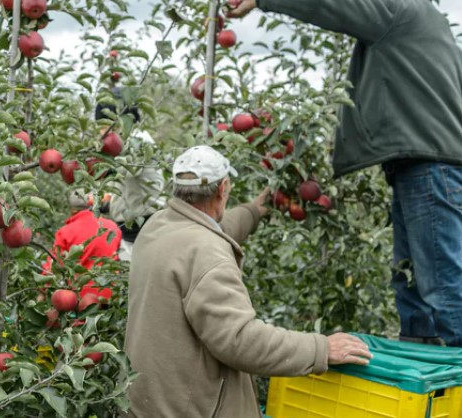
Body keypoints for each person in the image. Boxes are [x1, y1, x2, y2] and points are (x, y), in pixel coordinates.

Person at [227, 0, 462, 347]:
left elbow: (334, 3)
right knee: (410, 279)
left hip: (429, 166)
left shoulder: (400, 9)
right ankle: (422, 374)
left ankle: (458, 382)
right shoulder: (436, 32)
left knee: (439, 283)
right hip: (422, 165)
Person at [124, 146, 372, 417]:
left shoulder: (157, 226)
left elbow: (212, 229)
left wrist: (254, 211)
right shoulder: (207, 254)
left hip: (150, 402)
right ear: (223, 188)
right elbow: (240, 341)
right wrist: (320, 348)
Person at [43, 190, 122, 300]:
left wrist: (41, 294)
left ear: (72, 209)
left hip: (81, 298)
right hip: (111, 297)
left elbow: (52, 266)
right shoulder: (113, 227)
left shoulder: (66, 232)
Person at [107, 129, 165, 261]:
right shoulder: (122, 145)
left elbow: (129, 169)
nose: (100, 134)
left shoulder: (138, 143)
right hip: (134, 226)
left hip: (143, 223)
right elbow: (127, 185)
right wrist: (110, 204)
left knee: (141, 273)